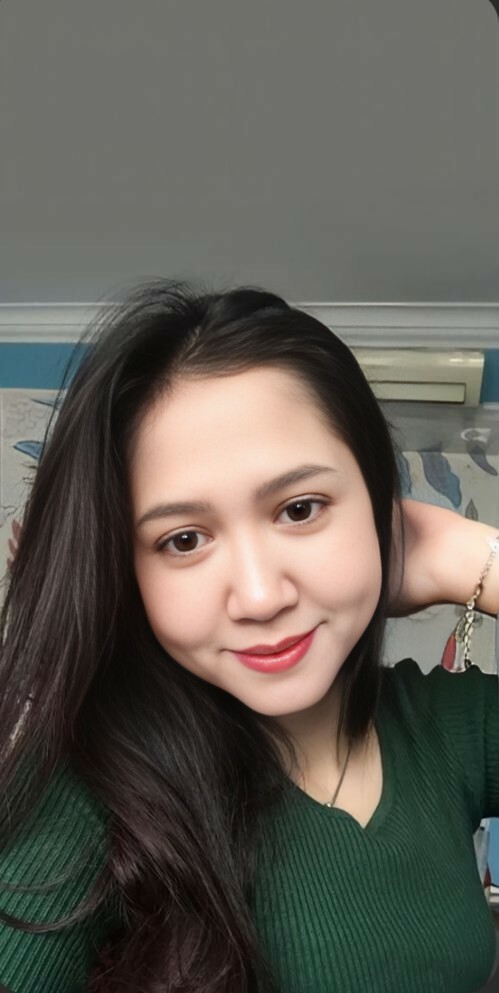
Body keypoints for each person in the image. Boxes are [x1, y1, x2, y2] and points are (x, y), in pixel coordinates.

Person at [0, 280, 498, 993]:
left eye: (300, 508)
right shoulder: (85, 793)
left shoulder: (447, 730)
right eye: (183, 539)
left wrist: (469, 558)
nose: (261, 597)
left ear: (376, 504)